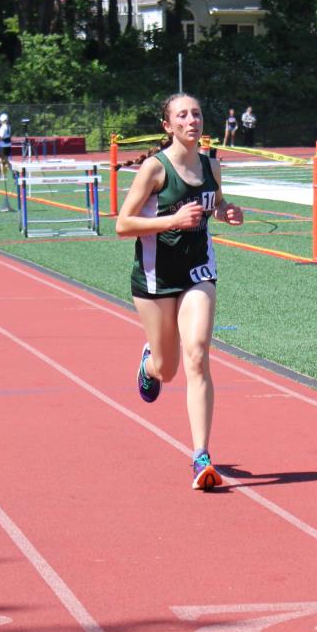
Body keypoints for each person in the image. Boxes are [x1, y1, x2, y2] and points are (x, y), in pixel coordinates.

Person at [116, 93, 244, 490]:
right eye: (183, 115)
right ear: (168, 126)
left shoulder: (211, 166)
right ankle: (149, 364)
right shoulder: (155, 169)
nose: (192, 121)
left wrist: (226, 211)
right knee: (168, 370)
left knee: (198, 354)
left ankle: (201, 455)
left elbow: (215, 203)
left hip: (198, 271)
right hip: (155, 278)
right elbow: (123, 224)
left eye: (197, 114)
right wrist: (172, 220)